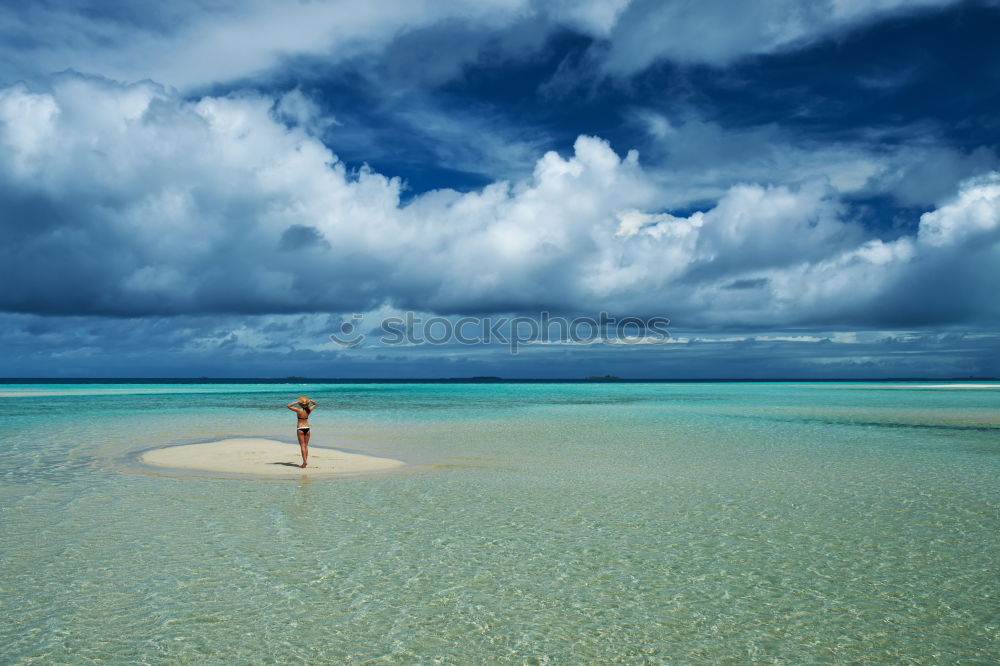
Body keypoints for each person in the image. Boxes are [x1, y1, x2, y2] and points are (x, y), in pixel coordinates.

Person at [285, 396, 318, 468]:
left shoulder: (298, 410)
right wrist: (310, 400)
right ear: (307, 404)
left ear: (300, 404)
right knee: (306, 446)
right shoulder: (309, 410)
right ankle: (305, 461)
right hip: (307, 428)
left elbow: (288, 406)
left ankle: (304, 462)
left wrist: (297, 402)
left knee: (302, 446)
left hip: (300, 428)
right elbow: (315, 404)